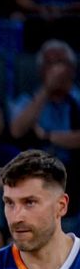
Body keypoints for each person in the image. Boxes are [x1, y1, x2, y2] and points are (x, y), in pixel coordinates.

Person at [9, 40, 80, 172]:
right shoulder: (27, 101)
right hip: (39, 171)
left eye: (60, 62)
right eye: (49, 63)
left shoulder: (77, 99)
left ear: (72, 69)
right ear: (40, 71)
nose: (55, 70)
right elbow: (16, 131)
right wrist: (46, 90)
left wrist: (47, 136)